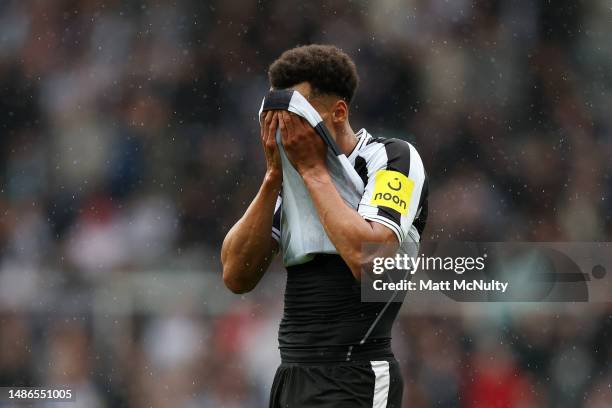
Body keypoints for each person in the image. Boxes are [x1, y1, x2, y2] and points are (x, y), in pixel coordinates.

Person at [221, 44, 428, 408]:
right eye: (281, 119)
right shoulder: (292, 177)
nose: (289, 129)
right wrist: (273, 176)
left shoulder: (392, 158)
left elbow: (372, 265)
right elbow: (236, 275)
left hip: (357, 375)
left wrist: (315, 172)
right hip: (290, 378)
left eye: (300, 117)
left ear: (338, 112)